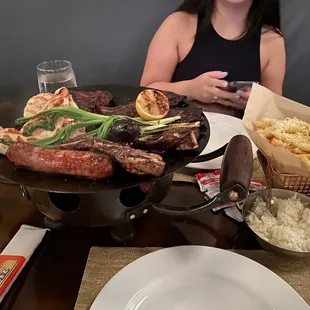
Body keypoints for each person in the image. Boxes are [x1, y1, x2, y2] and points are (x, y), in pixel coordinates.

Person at [140, 0, 286, 110]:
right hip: (176, 137)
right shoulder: (178, 24)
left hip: (239, 144)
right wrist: (189, 90)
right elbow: (145, 92)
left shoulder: (273, 41)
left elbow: (275, 111)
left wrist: (255, 104)